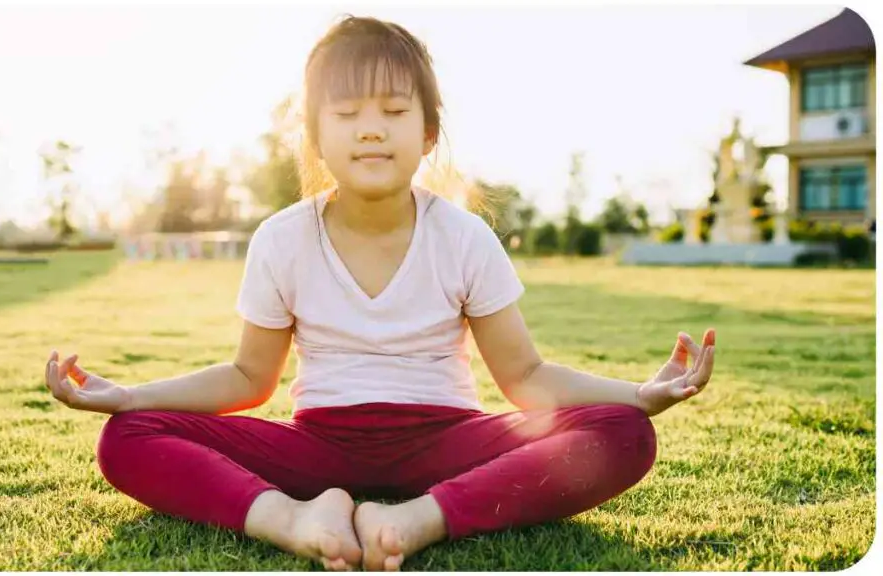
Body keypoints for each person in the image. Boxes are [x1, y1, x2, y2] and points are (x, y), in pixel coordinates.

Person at [43, 15, 716, 572]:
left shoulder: (463, 237)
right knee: (126, 439)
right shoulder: (281, 239)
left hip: (449, 442)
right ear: (316, 135)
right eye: (347, 112)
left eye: (394, 111)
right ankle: (295, 520)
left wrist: (638, 397)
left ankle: (419, 521)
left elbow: (526, 378)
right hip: (318, 449)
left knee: (623, 435)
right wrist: (128, 396)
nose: (371, 128)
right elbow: (250, 377)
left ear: (426, 134)